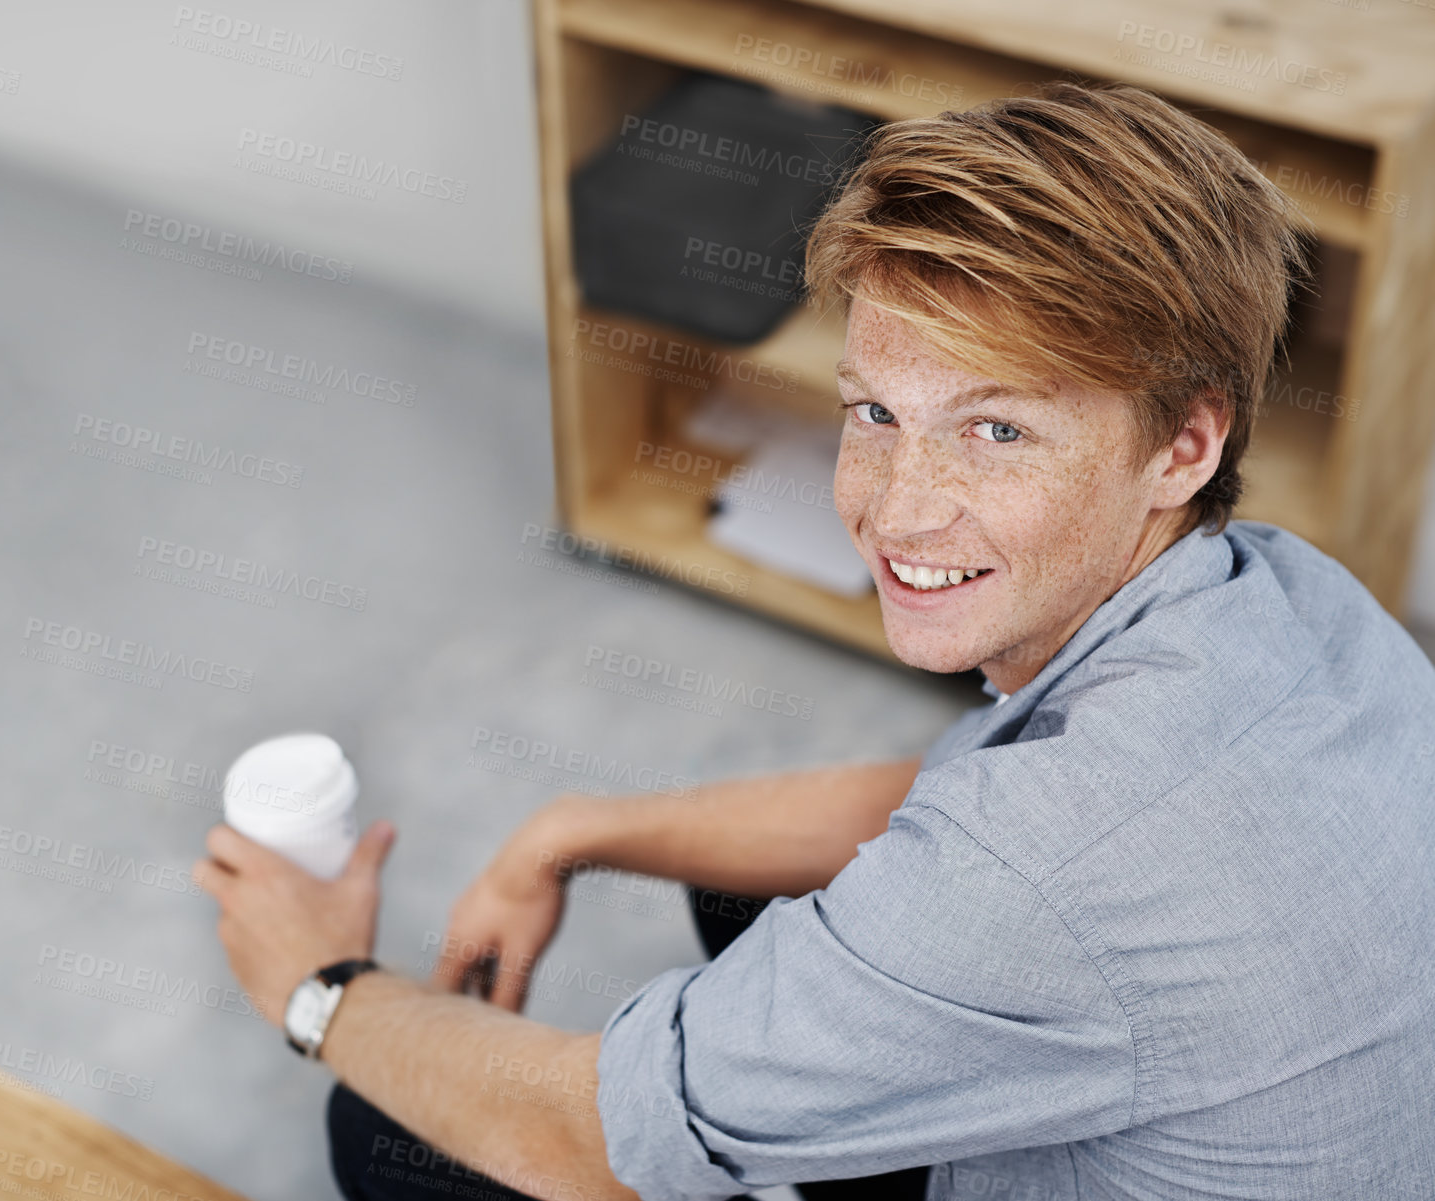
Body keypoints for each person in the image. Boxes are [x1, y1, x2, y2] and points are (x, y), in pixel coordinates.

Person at [194, 80, 1435, 1200]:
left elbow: (584, 1139)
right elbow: (951, 799)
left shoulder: (1036, 875)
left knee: (396, 1137)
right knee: (756, 884)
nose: (895, 510)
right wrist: (580, 829)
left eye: (997, 431)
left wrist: (320, 989)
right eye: (875, 411)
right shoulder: (1291, 596)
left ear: (1184, 445)